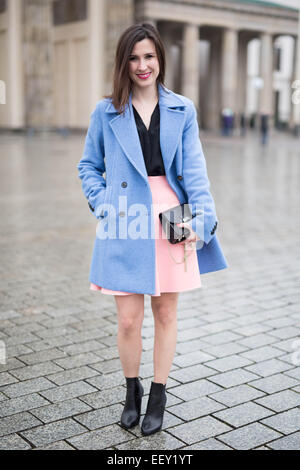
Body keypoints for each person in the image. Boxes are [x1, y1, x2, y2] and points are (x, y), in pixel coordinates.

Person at [77, 23, 228, 437]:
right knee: (128, 320)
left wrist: (201, 220)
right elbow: (89, 166)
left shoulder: (182, 108)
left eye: (149, 56)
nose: (143, 66)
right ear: (123, 63)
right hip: (124, 215)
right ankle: (132, 391)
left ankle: (159, 394)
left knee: (165, 312)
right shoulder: (106, 111)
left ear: (160, 58)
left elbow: (195, 173)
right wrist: (105, 203)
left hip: (170, 216)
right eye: (134, 57)